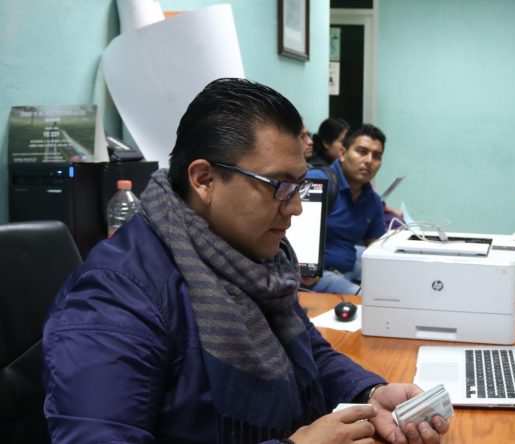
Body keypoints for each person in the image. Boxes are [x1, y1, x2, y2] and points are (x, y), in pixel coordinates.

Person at [42, 78, 449, 443]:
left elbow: (306, 350)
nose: (296, 209)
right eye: (280, 186)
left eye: (300, 187)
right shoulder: (116, 298)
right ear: (204, 180)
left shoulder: (250, 258)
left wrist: (370, 393)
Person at [305, 124, 388, 295]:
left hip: (345, 270)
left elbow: (377, 250)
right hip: (311, 278)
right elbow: (292, 229)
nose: (369, 161)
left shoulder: (372, 200)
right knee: (369, 301)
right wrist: (305, 270)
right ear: (342, 154)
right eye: (362, 152)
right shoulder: (318, 181)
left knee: (393, 290)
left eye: (376, 156)